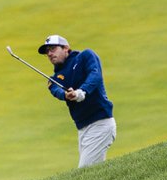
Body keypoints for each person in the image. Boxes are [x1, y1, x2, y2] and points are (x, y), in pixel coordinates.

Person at [37, 35, 115, 167]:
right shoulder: (54, 79)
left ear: (66, 48)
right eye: (47, 52)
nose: (49, 53)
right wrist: (67, 95)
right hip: (82, 129)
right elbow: (57, 91)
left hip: (101, 123)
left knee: (84, 171)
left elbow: (95, 75)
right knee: (95, 171)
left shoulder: (85, 56)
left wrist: (81, 92)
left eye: (53, 48)